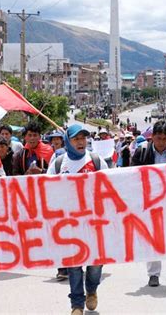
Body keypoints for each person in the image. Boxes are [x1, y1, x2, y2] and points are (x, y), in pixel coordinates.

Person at [47, 124, 108, 315]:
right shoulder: (58, 163)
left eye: (83, 138)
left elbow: (110, 187)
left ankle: (91, 289)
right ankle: (77, 305)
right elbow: (47, 190)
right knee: (74, 266)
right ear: (68, 141)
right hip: (69, 225)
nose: (81, 142)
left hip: (94, 223)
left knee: (95, 265)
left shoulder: (97, 161)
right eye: (76, 139)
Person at [131, 120, 166, 290]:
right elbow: (132, 177)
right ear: (152, 137)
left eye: (164, 138)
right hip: (150, 202)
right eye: (158, 138)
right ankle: (153, 274)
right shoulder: (141, 152)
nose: (161, 142)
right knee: (152, 238)